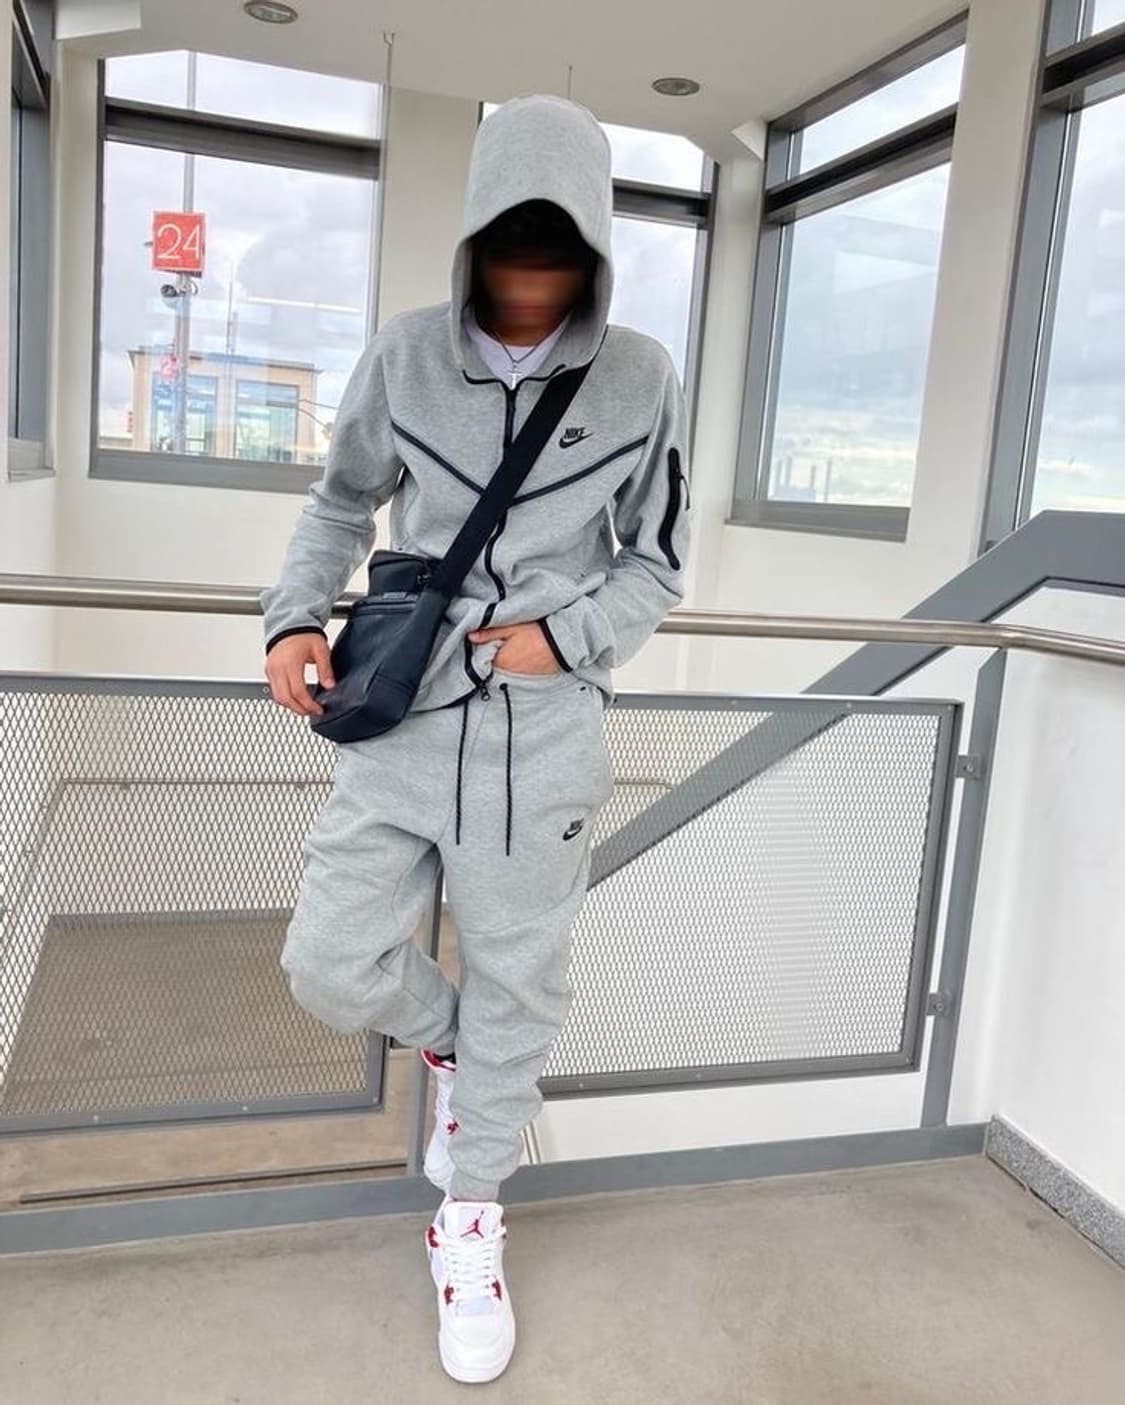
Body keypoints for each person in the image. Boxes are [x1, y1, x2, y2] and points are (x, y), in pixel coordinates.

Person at [260, 93, 692, 1384]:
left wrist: (567, 639)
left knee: (523, 982)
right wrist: (292, 619)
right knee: (327, 961)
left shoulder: (639, 377)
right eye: (511, 243)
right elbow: (339, 503)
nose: (529, 274)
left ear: (593, 249)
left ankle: (471, 1217)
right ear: (476, 238)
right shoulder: (403, 356)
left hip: (541, 737)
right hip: (402, 719)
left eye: (556, 248)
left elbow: (657, 562)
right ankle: (451, 1042)